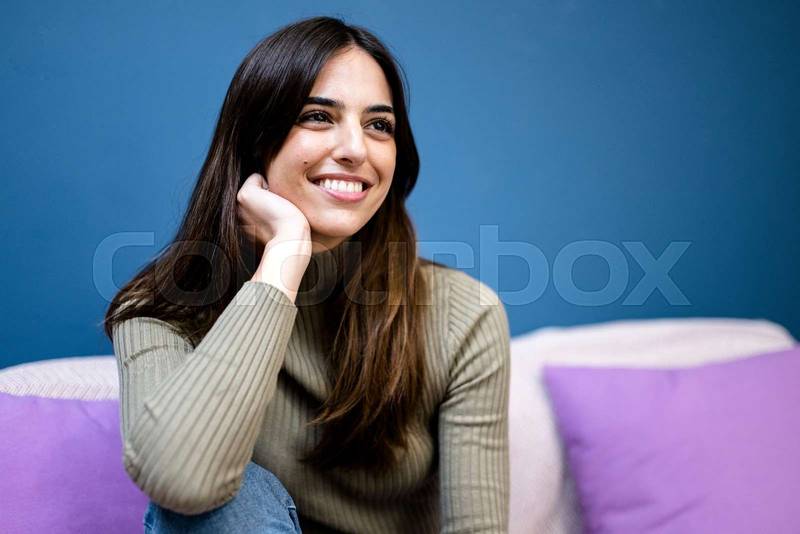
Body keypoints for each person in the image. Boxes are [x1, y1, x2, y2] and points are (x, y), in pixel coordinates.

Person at [104, 15, 511, 534]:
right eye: (318, 116)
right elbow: (183, 482)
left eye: (378, 125)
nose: (355, 150)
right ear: (256, 141)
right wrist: (285, 258)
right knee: (229, 496)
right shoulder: (161, 308)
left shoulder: (464, 314)